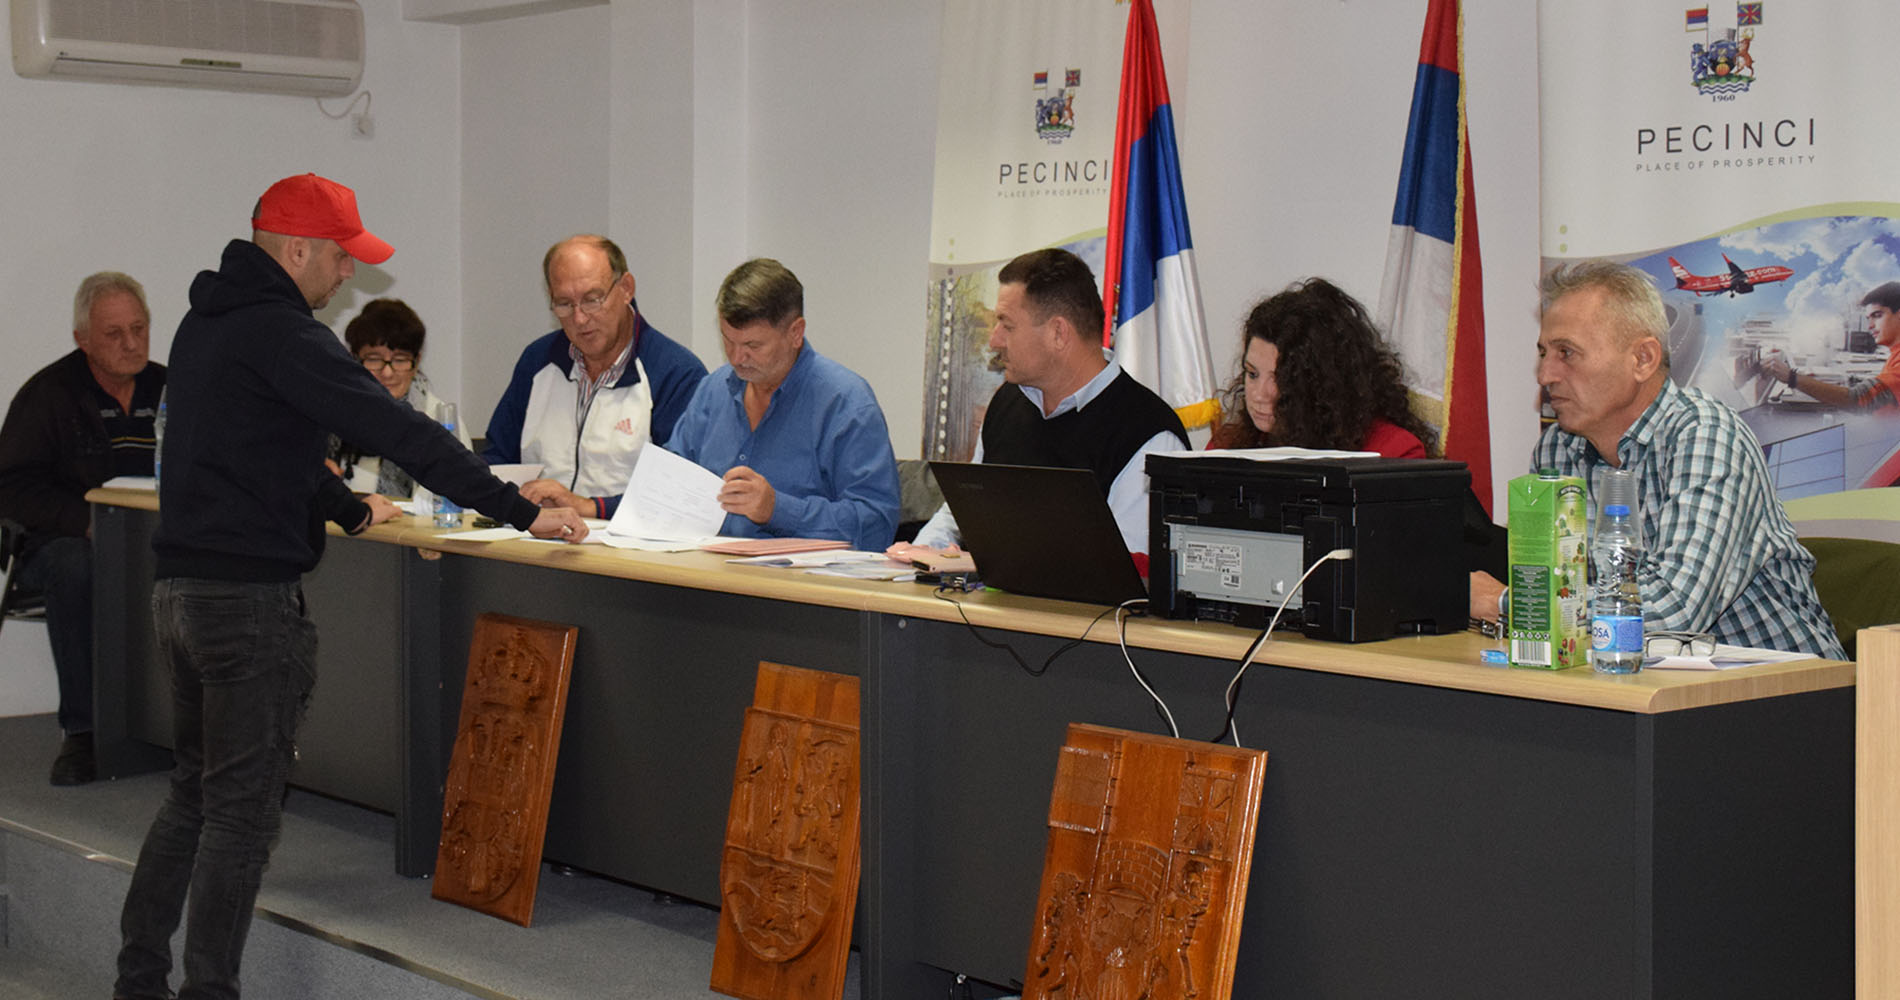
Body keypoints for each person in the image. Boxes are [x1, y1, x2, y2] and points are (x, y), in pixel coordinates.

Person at [113, 172, 587, 1000]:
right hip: (246, 606)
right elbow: (400, 430)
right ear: (297, 250)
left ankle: (138, 979)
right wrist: (519, 511)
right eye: (341, 256)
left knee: (193, 797)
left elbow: (262, 448)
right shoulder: (286, 334)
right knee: (239, 818)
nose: (348, 273)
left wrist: (345, 507)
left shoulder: (204, 323)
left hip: (181, 593)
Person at [1469, 259, 1842, 657]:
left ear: (1643, 359)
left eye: (1567, 352)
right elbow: (1551, 589)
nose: (1545, 375)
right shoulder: (1556, 449)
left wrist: (1505, 603)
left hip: (1783, 684)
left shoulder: (1706, 434)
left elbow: (1674, 611)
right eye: (1544, 353)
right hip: (1637, 681)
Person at [905, 247, 1188, 559]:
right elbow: (963, 511)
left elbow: (1120, 569)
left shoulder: (1149, 437)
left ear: (1058, 333)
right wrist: (920, 555)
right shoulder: (1006, 403)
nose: (994, 340)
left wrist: (974, 567)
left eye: (1007, 325)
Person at [0, 271, 166, 786]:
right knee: (77, 564)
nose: (131, 343)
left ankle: (175, 728)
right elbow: (11, 486)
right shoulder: (49, 394)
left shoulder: (170, 388)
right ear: (83, 340)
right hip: (61, 544)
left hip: (154, 537)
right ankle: (85, 731)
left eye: (139, 329)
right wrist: (88, 522)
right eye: (114, 334)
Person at [666, 258, 899, 551]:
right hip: (703, 569)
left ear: (795, 333)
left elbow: (876, 524)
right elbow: (670, 478)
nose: (736, 358)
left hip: (797, 578)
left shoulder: (846, 404)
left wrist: (777, 510)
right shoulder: (712, 391)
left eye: (752, 346)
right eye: (728, 341)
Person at [482, 235, 707, 518]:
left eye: (592, 300)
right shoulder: (537, 361)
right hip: (535, 538)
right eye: (564, 304)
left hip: (625, 543)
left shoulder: (675, 372)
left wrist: (589, 507)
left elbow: (680, 491)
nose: (579, 318)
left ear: (626, 289)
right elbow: (497, 458)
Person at [1207, 277, 1434, 458]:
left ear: (1322, 384)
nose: (1258, 395)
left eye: (1278, 378)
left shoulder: (1391, 452)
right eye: (1252, 374)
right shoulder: (1225, 447)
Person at [328, 298, 471, 498]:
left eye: (400, 360)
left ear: (416, 361)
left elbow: (461, 493)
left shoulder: (440, 420)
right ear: (355, 359)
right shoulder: (333, 416)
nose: (387, 373)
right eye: (374, 359)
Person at [1761, 280, 1900, 411]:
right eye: (1868, 318)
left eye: (1877, 315)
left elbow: (1857, 399)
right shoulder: (1895, 354)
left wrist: (1791, 377)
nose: (1870, 326)